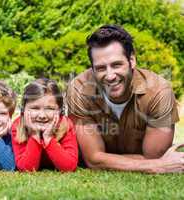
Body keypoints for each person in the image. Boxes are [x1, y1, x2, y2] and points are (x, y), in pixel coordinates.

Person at [66, 24, 184, 173]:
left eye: (116, 65)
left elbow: (155, 156)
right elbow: (93, 159)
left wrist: (105, 160)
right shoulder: (78, 89)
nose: (110, 76)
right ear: (92, 68)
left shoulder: (160, 92)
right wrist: (157, 165)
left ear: (132, 60)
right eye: (101, 68)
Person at [12, 78, 78, 172]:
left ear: (59, 111)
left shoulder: (65, 125)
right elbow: (26, 168)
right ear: (23, 110)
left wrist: (48, 137)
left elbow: (69, 167)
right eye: (35, 108)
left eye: (50, 109)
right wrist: (35, 135)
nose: (42, 115)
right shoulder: (18, 126)